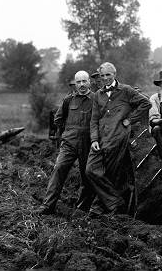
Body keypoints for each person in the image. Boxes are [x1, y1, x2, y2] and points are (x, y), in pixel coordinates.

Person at [85, 62, 151, 215]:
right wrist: (94, 140)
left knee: (110, 173)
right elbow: (94, 120)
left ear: (114, 75)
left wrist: (130, 120)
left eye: (108, 75)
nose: (105, 78)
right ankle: (115, 202)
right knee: (90, 170)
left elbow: (145, 103)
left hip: (118, 138)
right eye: (102, 76)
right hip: (101, 138)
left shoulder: (126, 91)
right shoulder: (98, 95)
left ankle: (100, 207)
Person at [38, 70, 95, 215]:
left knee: (86, 175)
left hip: (87, 144)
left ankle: (82, 208)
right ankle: (48, 205)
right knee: (59, 168)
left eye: (84, 81)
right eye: (78, 82)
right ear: (75, 84)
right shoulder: (68, 100)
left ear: (89, 82)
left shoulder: (96, 99)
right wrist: (68, 131)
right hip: (69, 143)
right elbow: (58, 119)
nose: (81, 85)